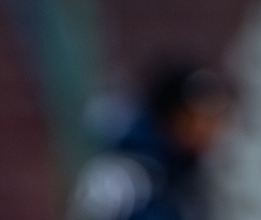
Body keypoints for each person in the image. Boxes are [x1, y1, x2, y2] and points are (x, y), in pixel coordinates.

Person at [70, 60, 234, 220]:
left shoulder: (189, 175)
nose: (209, 129)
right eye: (201, 119)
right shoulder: (121, 174)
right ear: (176, 115)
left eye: (215, 119)